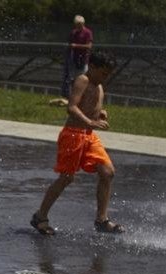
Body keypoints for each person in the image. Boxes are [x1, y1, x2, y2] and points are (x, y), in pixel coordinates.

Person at [30, 51, 123, 236]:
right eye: (104, 73)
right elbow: (71, 107)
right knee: (66, 178)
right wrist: (90, 121)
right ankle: (40, 216)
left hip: (89, 136)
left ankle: (101, 220)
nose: (106, 77)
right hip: (73, 135)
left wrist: (100, 113)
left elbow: (90, 106)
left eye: (109, 74)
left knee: (108, 172)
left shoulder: (99, 86)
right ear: (93, 67)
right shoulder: (83, 80)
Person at [61, 15, 92, 101]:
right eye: (77, 24)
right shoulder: (73, 32)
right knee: (72, 79)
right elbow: (70, 44)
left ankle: (83, 98)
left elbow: (89, 46)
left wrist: (76, 46)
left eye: (79, 24)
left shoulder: (87, 32)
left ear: (83, 24)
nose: (78, 26)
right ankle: (72, 97)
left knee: (83, 78)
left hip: (84, 59)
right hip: (74, 59)